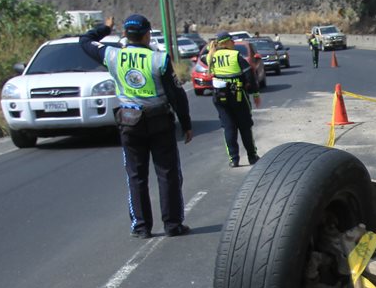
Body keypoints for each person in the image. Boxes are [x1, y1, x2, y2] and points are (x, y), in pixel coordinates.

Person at [80, 14, 193, 238]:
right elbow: (176, 93)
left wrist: (105, 28)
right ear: (147, 34)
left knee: (136, 176)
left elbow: (84, 42)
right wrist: (186, 123)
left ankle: (141, 227)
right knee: (168, 174)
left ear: (125, 34)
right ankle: (172, 225)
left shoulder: (112, 56)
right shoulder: (158, 59)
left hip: (129, 122)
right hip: (159, 120)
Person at [206, 31, 262, 168]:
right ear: (226, 42)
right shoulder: (235, 56)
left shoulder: (211, 56)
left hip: (219, 97)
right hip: (237, 96)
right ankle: (252, 156)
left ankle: (233, 159)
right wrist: (255, 94)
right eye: (232, 41)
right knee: (245, 127)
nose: (234, 43)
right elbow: (250, 76)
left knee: (229, 128)